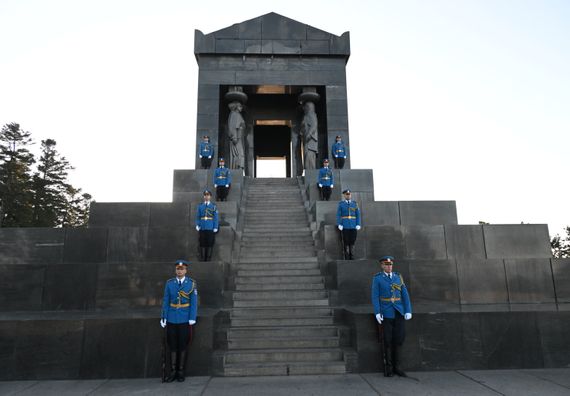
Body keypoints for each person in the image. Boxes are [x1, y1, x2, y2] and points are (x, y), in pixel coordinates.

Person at [371, 256, 412, 377]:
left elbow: (405, 295)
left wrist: (408, 310)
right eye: (387, 265)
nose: (389, 267)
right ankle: (388, 368)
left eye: (391, 265)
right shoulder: (378, 278)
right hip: (386, 312)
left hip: (399, 312)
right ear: (382, 266)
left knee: (398, 340)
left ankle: (397, 367)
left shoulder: (398, 277)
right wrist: (377, 312)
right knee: (387, 341)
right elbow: (375, 296)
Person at [160, 260, 198, 383]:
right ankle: (172, 372)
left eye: (182, 269)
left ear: (186, 270)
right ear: (175, 270)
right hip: (171, 318)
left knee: (182, 345)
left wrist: (192, 317)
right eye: (178, 269)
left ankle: (180, 371)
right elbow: (166, 300)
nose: (179, 271)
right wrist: (163, 316)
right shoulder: (169, 283)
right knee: (172, 345)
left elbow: (194, 302)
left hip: (184, 319)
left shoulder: (191, 284)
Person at [336, 189, 361, 259]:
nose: (348, 195)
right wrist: (339, 224)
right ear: (344, 195)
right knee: (346, 241)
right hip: (345, 225)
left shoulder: (355, 204)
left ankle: (352, 255)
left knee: (352, 240)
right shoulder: (341, 204)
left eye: (349, 194)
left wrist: (358, 224)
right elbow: (338, 215)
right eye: (347, 194)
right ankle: (346, 256)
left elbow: (358, 214)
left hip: (353, 225)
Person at [195, 189, 219, 261]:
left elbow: (215, 217)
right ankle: (202, 258)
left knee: (209, 242)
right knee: (202, 242)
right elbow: (198, 217)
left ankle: (208, 258)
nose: (206, 196)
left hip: (210, 227)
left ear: (210, 197)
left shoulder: (213, 206)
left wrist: (215, 227)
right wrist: (197, 224)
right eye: (205, 195)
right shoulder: (200, 206)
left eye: (208, 195)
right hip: (202, 227)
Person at [227, 101, 245, 171]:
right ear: (236, 107)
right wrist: (234, 137)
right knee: (239, 153)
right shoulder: (234, 114)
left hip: (239, 137)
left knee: (240, 153)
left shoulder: (237, 114)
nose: (241, 108)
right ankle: (238, 168)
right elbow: (232, 127)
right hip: (237, 138)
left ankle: (239, 168)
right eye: (240, 106)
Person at [300, 101, 318, 170]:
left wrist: (309, 134)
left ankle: (310, 171)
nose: (304, 109)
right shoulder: (306, 116)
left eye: (305, 107)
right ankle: (308, 171)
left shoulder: (312, 115)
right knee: (306, 156)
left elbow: (314, 125)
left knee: (309, 156)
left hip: (311, 141)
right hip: (306, 140)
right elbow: (303, 127)